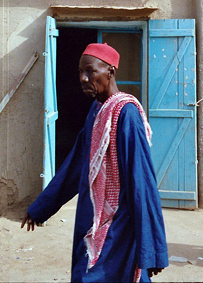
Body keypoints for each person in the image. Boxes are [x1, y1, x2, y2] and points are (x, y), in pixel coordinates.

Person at [21, 42, 168, 282]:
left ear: (110, 71)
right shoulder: (97, 111)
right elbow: (76, 164)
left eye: (90, 71)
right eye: (80, 72)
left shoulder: (126, 113)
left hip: (118, 223)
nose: (83, 78)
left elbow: (142, 181)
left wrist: (152, 250)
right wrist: (41, 208)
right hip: (91, 218)